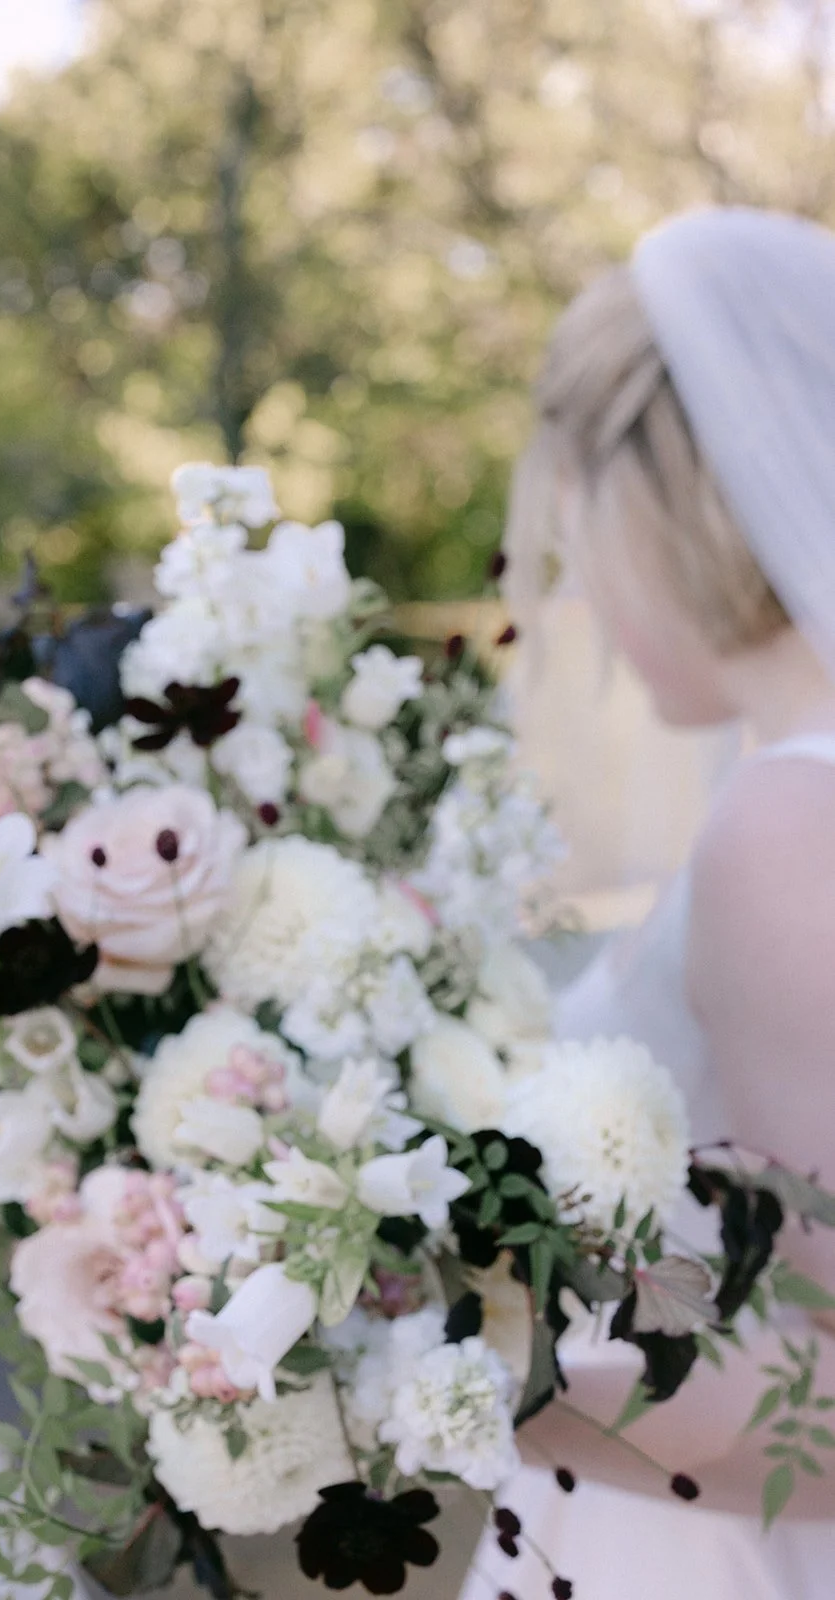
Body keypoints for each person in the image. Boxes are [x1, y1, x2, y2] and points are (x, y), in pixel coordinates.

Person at [468, 208, 835, 1600]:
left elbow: (821, 1401)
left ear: (660, 499)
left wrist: (428, 1375)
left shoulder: (783, 824)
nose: (584, 601)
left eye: (576, 533)